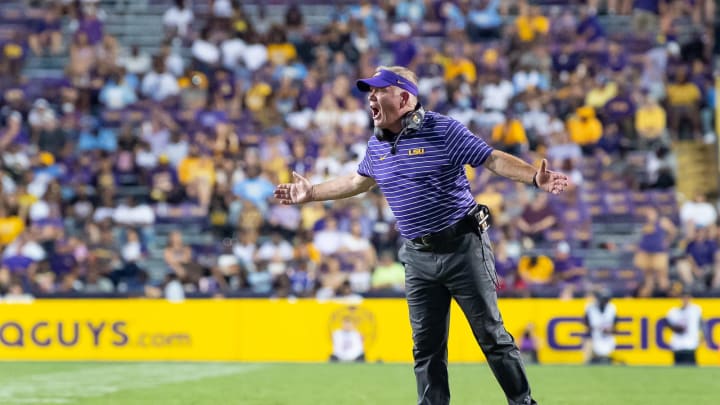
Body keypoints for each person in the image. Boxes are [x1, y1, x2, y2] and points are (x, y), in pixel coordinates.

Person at [274, 65, 569, 405]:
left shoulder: (443, 130)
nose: (370, 96)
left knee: (492, 337)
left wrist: (535, 177)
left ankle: (523, 402)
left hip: (463, 248)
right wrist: (312, 194)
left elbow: (491, 160)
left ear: (403, 97)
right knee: (426, 348)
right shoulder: (376, 144)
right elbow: (357, 182)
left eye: (378, 90)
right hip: (417, 256)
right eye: (369, 90)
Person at [664, 291, 705, 366]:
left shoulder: (695, 310)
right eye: (684, 298)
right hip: (677, 344)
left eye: (687, 298)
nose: (685, 300)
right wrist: (676, 328)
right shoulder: (673, 312)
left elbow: (702, 324)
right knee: (677, 368)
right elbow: (668, 324)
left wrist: (703, 336)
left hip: (690, 344)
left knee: (691, 367)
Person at [583, 289, 618, 365]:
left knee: (607, 359)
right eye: (603, 300)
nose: (604, 302)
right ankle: (588, 362)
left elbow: (615, 329)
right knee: (588, 341)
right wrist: (597, 328)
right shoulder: (590, 307)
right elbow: (586, 325)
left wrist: (609, 330)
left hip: (607, 338)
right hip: (593, 337)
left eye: (606, 300)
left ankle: (607, 359)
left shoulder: (612, 308)